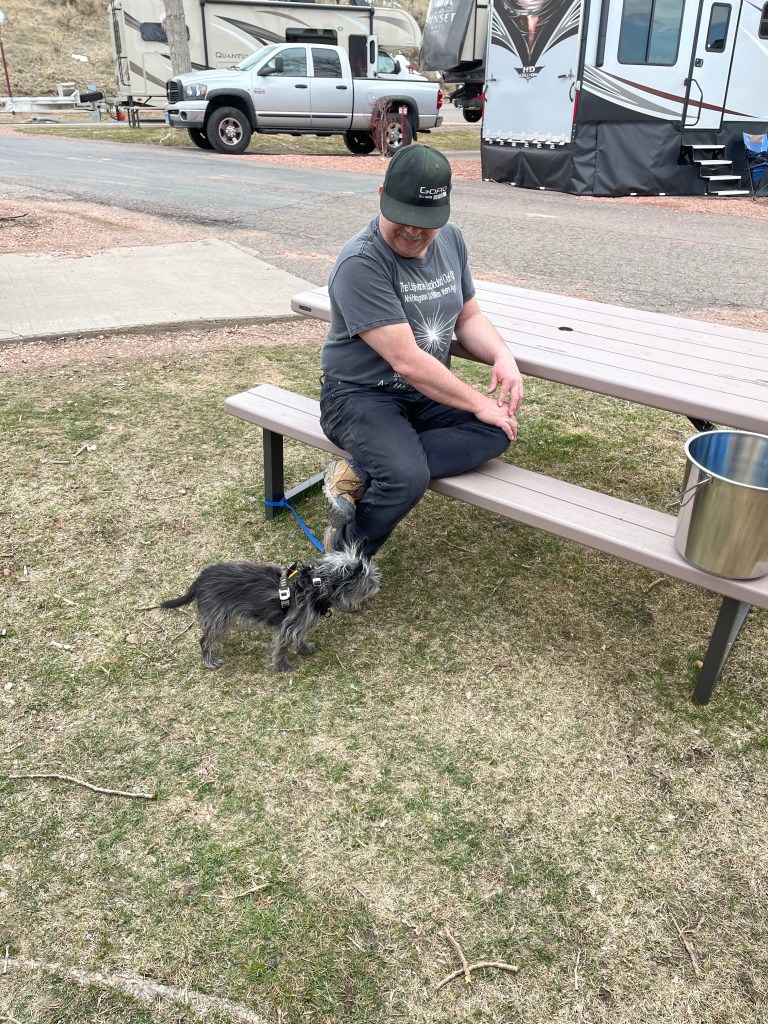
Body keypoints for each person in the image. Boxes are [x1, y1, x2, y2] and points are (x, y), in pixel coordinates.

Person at [319, 143, 524, 557]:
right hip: (359, 394)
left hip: (424, 393)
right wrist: (478, 402)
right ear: (382, 196)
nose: (413, 231)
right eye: (404, 217)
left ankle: (358, 471)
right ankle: (344, 555)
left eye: (425, 222)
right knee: (405, 478)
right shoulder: (360, 262)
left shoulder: (451, 239)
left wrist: (502, 355)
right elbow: (407, 361)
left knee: (497, 428)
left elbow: (468, 317)